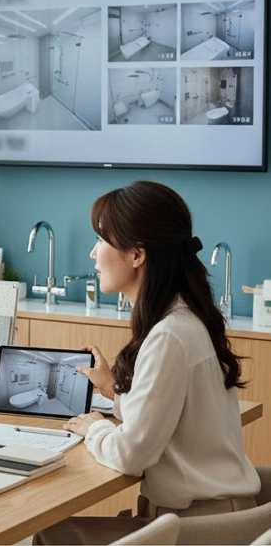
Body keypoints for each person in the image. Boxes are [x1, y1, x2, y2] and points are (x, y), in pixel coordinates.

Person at [36, 180, 259, 545]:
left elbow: (129, 455)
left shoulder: (169, 336)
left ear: (137, 255)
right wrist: (114, 391)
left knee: (52, 537)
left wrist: (94, 427)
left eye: (101, 240)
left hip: (202, 530)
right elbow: (167, 414)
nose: (93, 254)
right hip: (217, 516)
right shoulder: (186, 318)